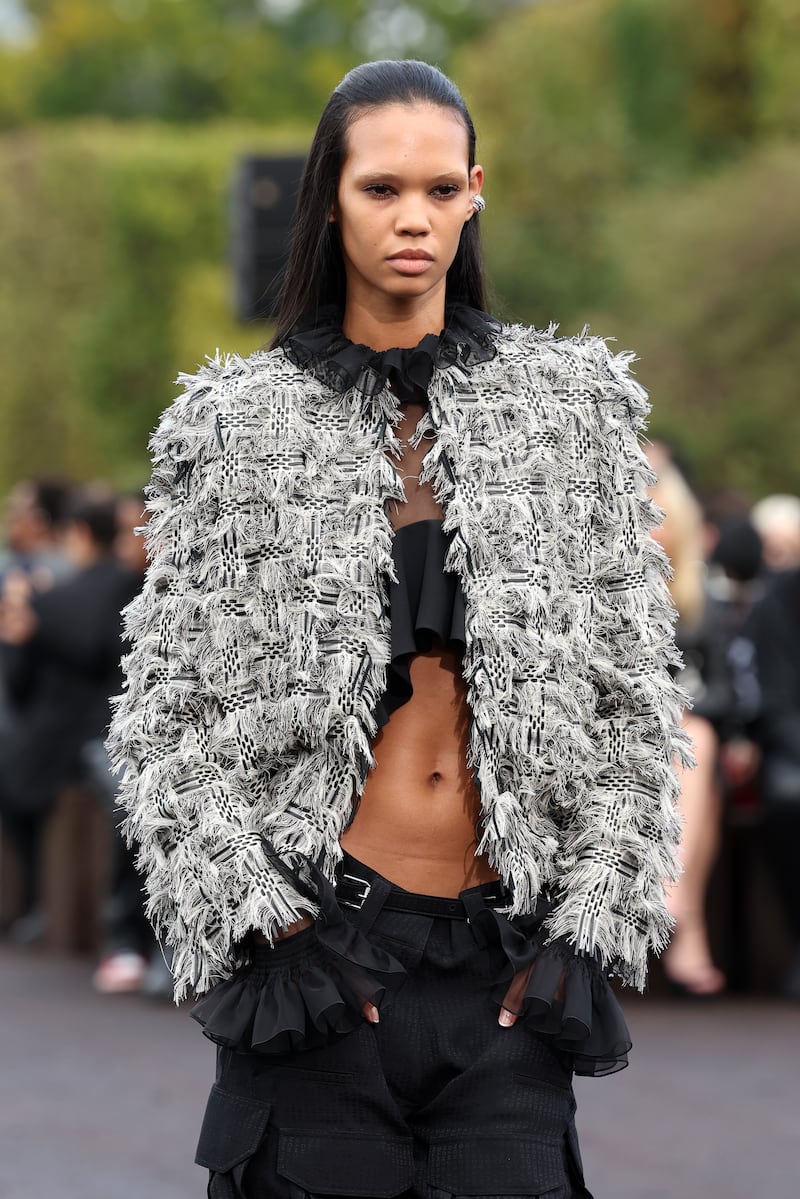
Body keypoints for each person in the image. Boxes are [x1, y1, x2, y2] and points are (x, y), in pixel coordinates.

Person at [107, 60, 691, 1199]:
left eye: (437, 187)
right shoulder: (234, 424)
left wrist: (585, 922)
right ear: (330, 196)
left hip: (504, 968)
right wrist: (271, 925)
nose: (412, 217)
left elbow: (632, 696)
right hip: (321, 952)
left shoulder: (571, 411)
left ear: (475, 192)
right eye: (380, 188)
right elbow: (166, 713)